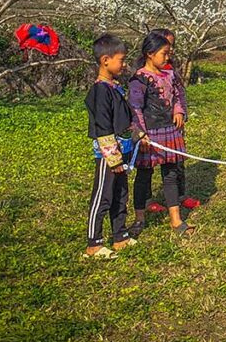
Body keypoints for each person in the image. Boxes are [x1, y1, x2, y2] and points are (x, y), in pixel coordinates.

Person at [129, 32, 194, 238]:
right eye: (164, 54)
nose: (167, 58)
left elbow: (176, 96)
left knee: (171, 174)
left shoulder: (170, 75)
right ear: (149, 53)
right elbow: (135, 108)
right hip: (149, 134)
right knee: (144, 175)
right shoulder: (139, 79)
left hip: (169, 131)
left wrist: (178, 111)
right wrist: (140, 134)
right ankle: (140, 218)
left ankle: (176, 219)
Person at [83, 34, 138, 259]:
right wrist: (112, 158)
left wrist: (136, 134)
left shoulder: (114, 87)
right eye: (121, 60)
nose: (123, 65)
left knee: (121, 193)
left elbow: (122, 119)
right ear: (106, 60)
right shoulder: (100, 91)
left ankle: (119, 235)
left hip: (122, 148)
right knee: (103, 195)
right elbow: (103, 126)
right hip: (110, 154)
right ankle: (94, 243)